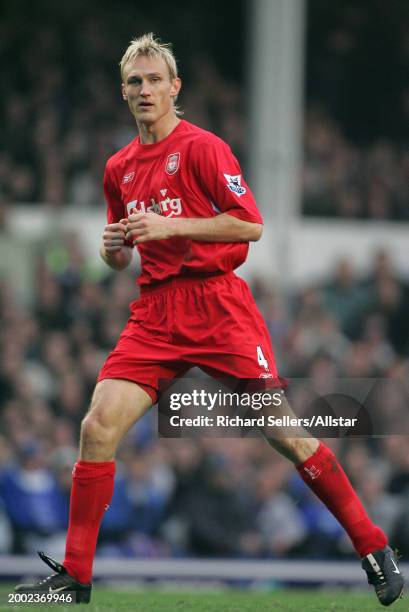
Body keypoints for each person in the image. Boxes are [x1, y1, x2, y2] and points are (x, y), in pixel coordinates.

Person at [16, 33, 403, 606]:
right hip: (154, 312)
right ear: (123, 94)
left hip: (217, 304)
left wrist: (173, 226)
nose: (144, 89)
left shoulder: (203, 148)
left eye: (154, 79)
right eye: (133, 82)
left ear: (175, 87)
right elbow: (121, 253)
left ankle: (373, 545)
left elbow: (250, 224)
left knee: (286, 435)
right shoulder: (118, 167)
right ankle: (74, 578)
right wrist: (112, 249)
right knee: (97, 428)